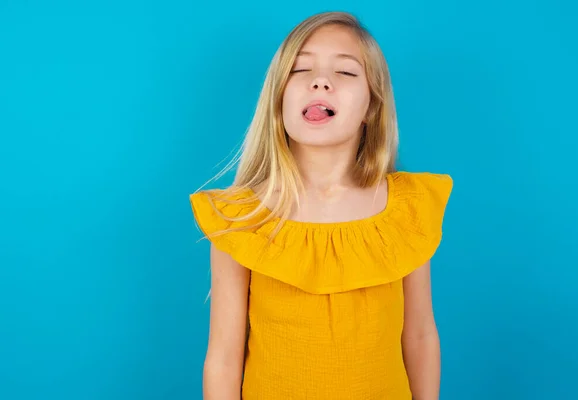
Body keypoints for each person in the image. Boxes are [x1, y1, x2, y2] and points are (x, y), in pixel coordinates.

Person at [189, 10, 453, 400]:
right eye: (300, 70)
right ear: (277, 100)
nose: (320, 81)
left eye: (345, 72)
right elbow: (224, 359)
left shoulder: (406, 209)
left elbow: (419, 334)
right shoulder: (242, 217)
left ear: (372, 108)